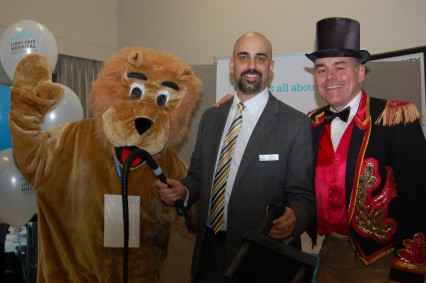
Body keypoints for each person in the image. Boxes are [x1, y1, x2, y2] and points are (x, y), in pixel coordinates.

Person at [156, 31, 315, 282]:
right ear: (232, 65)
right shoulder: (211, 118)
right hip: (208, 252)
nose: (251, 66)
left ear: (271, 67)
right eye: (244, 57)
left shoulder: (295, 124)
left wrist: (295, 216)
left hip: (260, 259)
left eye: (260, 58)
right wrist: (184, 191)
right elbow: (197, 175)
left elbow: (304, 196)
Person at [305, 17, 426, 283]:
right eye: (322, 69)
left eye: (340, 67)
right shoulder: (310, 124)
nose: (330, 78)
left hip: (380, 263)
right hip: (328, 256)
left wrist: (407, 272)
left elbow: (418, 201)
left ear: (360, 73)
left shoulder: (394, 118)